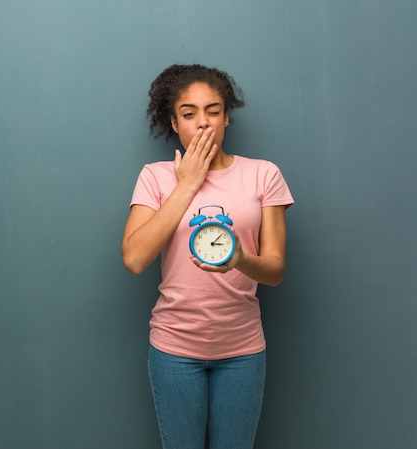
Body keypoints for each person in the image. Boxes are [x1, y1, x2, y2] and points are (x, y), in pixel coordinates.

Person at [121, 64, 294, 449]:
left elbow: (276, 270)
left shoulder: (263, 175)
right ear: (173, 122)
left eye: (213, 111)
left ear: (227, 116)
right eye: (189, 113)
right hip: (174, 350)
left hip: (242, 351)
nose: (203, 123)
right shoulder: (155, 177)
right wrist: (188, 184)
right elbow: (134, 259)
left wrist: (239, 260)